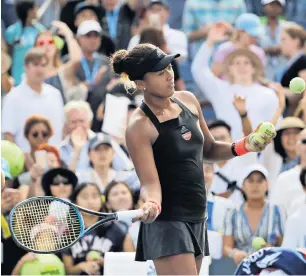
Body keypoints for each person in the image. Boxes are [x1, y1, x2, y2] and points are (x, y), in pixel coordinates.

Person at [110, 43, 276, 275]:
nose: (170, 75)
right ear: (141, 84)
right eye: (160, 73)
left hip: (197, 216)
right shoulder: (139, 127)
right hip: (168, 221)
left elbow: (208, 149)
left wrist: (243, 145)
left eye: (169, 68)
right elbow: (149, 183)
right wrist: (152, 204)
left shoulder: (188, 99)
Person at [192, 24, 279, 141]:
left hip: (257, 154)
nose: (242, 66)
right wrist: (210, 42)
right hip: (226, 152)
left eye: (246, 63)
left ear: (254, 68)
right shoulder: (219, 88)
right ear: (229, 69)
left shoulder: (268, 94)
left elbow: (276, 128)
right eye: (237, 63)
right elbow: (198, 69)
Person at [62, 182, 135, 275]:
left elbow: (129, 266)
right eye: (85, 197)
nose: (90, 201)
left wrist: (106, 263)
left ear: (102, 200)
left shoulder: (117, 229)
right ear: (75, 202)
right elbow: (67, 271)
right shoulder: (67, 232)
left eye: (95, 196)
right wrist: (81, 266)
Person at [1, 47, 64, 152]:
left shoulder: (55, 94)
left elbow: (61, 130)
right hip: (25, 165)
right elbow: (8, 135)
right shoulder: (13, 97)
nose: (40, 69)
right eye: (35, 65)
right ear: (26, 67)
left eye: (43, 65)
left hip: (54, 162)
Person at [223, 165, 285, 266]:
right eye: (250, 181)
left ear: (267, 185)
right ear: (243, 185)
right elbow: (226, 247)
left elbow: (285, 245)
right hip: (242, 268)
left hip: (272, 268)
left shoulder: (278, 210)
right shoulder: (232, 212)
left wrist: (270, 249)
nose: (255, 185)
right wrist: (235, 253)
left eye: (260, 181)